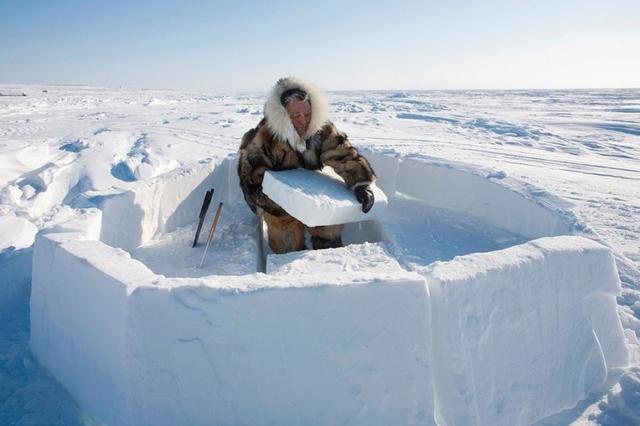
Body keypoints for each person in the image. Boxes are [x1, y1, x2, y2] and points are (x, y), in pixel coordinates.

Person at [238, 77, 376, 254]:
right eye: (296, 116)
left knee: (329, 226)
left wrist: (361, 183)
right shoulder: (265, 136)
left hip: (313, 193)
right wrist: (280, 206)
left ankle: (329, 263)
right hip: (278, 201)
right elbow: (252, 179)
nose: (303, 120)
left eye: (307, 113)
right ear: (283, 115)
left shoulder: (322, 129)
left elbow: (342, 155)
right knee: (286, 242)